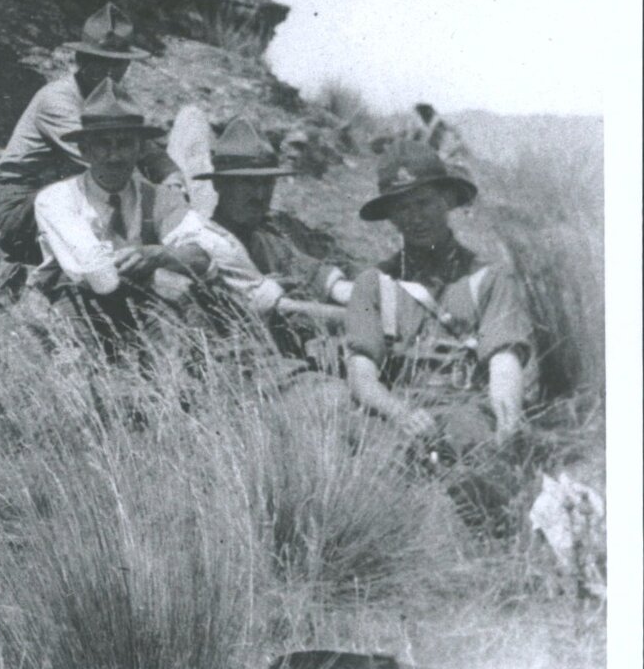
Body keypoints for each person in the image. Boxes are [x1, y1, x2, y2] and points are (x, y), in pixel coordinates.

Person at [342, 140, 531, 453]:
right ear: (391, 216)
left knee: (467, 445)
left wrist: (508, 418)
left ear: (446, 200)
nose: (415, 218)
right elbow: (361, 374)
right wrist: (400, 413)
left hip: (468, 411)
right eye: (402, 207)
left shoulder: (489, 278)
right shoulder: (373, 283)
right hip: (398, 414)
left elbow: (504, 362)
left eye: (424, 203)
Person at [0, 3, 182, 266]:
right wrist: (151, 205)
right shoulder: (58, 99)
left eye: (118, 65)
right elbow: (110, 164)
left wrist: (171, 176)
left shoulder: (109, 100)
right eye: (101, 62)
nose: (110, 73)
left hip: (73, 193)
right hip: (24, 206)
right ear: (81, 60)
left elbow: (145, 148)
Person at [29, 79, 212, 346]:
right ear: (84, 150)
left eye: (125, 144)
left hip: (136, 297)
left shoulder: (159, 197)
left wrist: (158, 254)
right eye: (103, 144)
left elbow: (202, 257)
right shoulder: (57, 199)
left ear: (140, 149)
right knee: (77, 359)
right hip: (72, 296)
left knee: (179, 349)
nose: (115, 156)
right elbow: (99, 274)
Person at [166, 115, 350, 361]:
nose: (260, 194)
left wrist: (373, 297)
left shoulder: (267, 240)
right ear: (219, 185)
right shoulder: (206, 243)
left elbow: (320, 278)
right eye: (248, 183)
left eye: (267, 183)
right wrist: (361, 318)